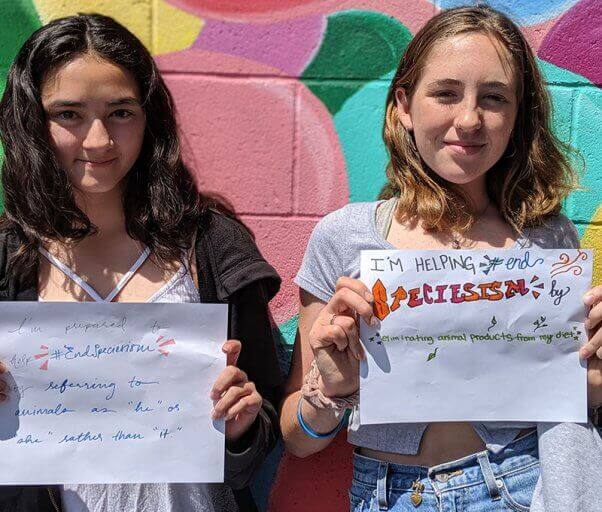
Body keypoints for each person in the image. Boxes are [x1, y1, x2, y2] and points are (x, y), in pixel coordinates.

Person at [280, 6, 602, 511]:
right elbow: (299, 440)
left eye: (494, 98)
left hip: (520, 487)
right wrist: (330, 393)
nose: (469, 119)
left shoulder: (546, 240)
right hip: (387, 494)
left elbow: (570, 396)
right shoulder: (343, 238)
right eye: (446, 93)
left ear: (518, 116)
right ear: (404, 106)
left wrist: (594, 380)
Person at [0, 13, 282, 512]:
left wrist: (240, 429)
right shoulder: (8, 257)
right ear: (30, 121)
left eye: (121, 112)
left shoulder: (210, 247)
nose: (98, 140)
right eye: (68, 114)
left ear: (150, 117)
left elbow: (260, 443)